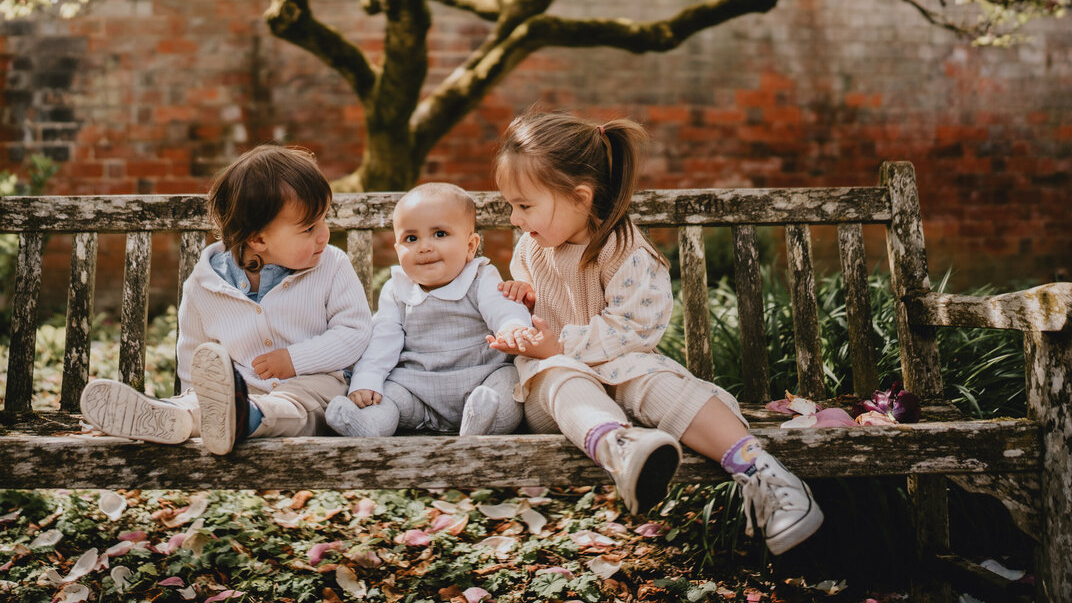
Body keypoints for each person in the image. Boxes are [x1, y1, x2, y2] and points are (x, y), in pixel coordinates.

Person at [487, 111, 823, 555]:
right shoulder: (531, 248)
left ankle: (763, 473)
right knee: (556, 377)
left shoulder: (623, 249)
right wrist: (521, 306)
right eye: (511, 205)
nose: (514, 218)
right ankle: (620, 447)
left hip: (620, 366)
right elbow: (534, 323)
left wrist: (563, 341)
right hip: (558, 389)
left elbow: (636, 328)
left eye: (524, 205)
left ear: (581, 198)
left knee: (656, 382)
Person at [80, 145, 372, 455]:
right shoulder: (206, 285)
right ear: (258, 239)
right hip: (233, 392)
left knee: (302, 408)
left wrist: (295, 360)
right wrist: (197, 392)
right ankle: (174, 417)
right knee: (199, 402)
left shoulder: (332, 265)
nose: (324, 235)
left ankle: (243, 418)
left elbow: (355, 333)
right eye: (310, 228)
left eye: (324, 219)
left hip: (314, 385)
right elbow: (195, 352)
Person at [326, 183, 531, 437]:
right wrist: (366, 381)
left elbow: (501, 307)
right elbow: (382, 342)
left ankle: (480, 425)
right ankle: (368, 425)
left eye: (440, 234)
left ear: (470, 246)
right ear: (397, 250)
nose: (424, 247)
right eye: (411, 238)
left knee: (508, 382)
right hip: (417, 387)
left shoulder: (480, 278)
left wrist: (512, 326)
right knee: (389, 396)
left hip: (479, 379)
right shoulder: (396, 290)